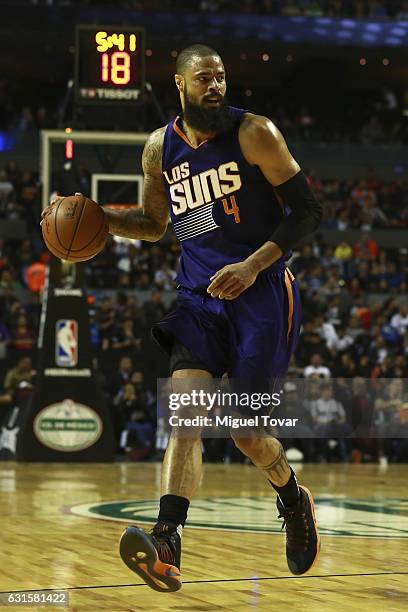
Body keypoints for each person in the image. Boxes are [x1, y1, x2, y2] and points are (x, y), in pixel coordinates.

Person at [42, 44, 322, 592]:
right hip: (198, 299)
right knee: (185, 420)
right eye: (204, 79)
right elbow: (154, 223)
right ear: (180, 84)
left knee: (246, 435)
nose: (215, 86)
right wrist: (100, 221)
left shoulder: (254, 134)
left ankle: (292, 496)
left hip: (261, 295)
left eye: (221, 77)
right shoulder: (159, 150)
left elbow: (308, 211)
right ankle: (167, 539)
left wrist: (252, 264)